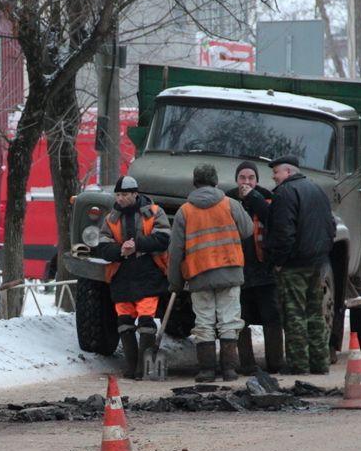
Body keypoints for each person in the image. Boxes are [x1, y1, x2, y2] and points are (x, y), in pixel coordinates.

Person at [243, 155, 335, 375]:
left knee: (294, 315)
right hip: (316, 263)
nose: (274, 177)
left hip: (294, 266)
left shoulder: (285, 193)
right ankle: (319, 362)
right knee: (314, 314)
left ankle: (298, 364)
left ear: (288, 172)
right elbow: (330, 226)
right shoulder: (315, 189)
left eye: (276, 172)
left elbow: (283, 232)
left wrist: (278, 261)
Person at [168, 164, 253, 382]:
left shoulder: (184, 211)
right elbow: (248, 230)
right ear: (215, 181)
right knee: (229, 321)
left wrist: (175, 282)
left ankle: (206, 370)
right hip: (229, 271)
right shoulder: (230, 204)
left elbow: (176, 251)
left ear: (195, 182)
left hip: (199, 275)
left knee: (204, 322)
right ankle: (229, 370)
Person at [97, 175, 170, 379]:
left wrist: (136, 245)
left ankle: (142, 369)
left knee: (147, 321)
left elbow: (164, 238)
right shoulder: (111, 219)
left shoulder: (155, 212)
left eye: (125, 194)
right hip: (122, 276)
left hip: (149, 274)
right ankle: (132, 368)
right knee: (124, 323)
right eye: (118, 194)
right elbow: (102, 248)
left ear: (135, 194)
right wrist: (121, 250)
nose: (120, 198)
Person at [225, 161, 285, 374]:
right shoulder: (228, 199)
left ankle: (276, 362)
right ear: (236, 179)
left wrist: (253, 197)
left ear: (257, 180)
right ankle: (247, 364)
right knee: (241, 318)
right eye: (243, 177)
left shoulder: (266, 198)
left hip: (264, 268)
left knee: (272, 316)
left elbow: (272, 218)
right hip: (237, 268)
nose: (247, 182)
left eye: (251, 178)